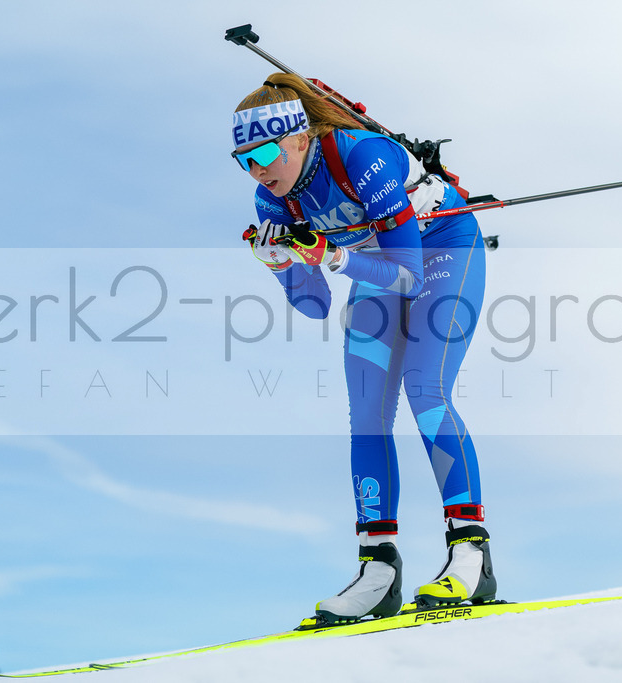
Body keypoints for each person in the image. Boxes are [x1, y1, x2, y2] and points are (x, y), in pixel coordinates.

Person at [232, 73, 495, 625]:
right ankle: (379, 570)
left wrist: (331, 255)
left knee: (426, 392)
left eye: (264, 152)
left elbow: (408, 274)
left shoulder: (365, 158)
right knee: (368, 417)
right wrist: (283, 265)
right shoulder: (271, 199)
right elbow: (314, 306)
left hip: (439, 249)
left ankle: (471, 553)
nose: (258, 170)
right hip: (375, 263)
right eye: (244, 159)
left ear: (300, 138)